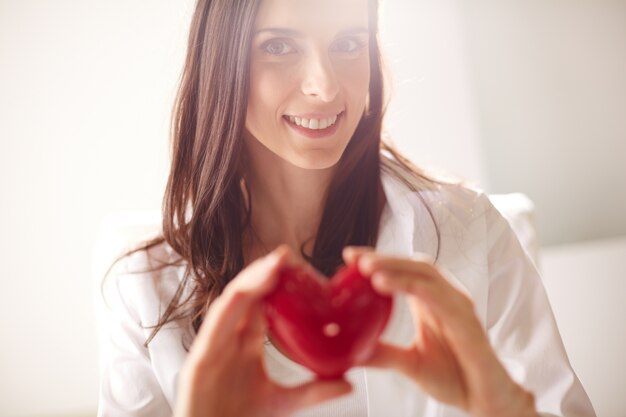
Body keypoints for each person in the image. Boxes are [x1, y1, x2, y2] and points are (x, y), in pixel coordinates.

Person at [97, 0, 596, 416]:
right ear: (219, 61)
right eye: (278, 46)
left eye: (349, 43)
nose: (326, 86)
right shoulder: (143, 292)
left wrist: (504, 406)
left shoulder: (474, 233)